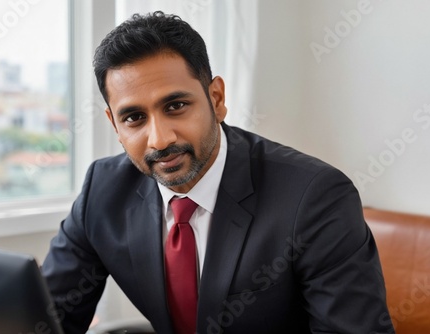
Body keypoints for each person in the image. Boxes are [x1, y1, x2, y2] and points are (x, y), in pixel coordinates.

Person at [42, 11, 395, 334]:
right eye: (134, 118)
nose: (160, 139)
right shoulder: (102, 190)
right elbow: (48, 318)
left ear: (216, 98)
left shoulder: (316, 197)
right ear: (115, 126)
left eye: (176, 106)